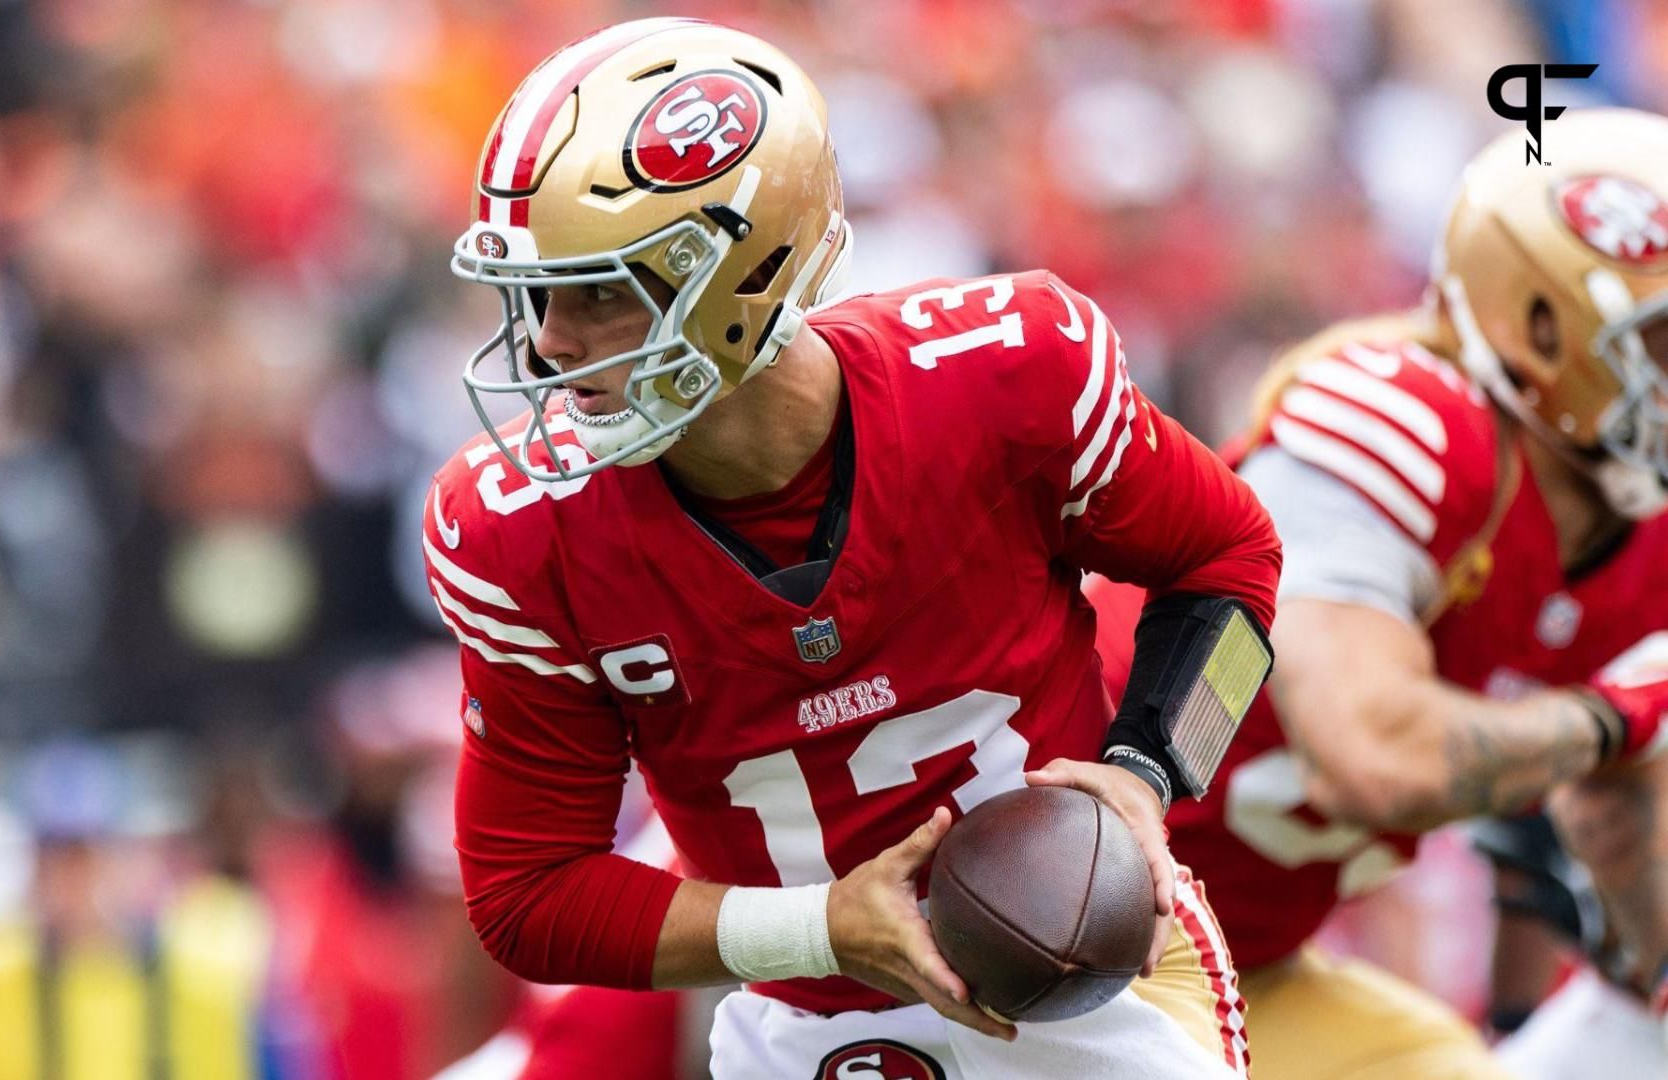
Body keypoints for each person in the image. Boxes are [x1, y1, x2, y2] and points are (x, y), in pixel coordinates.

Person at [425, 18, 1280, 1077]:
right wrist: (821, 928)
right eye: (538, 294)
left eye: (600, 290)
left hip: (1095, 987)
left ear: (746, 270)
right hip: (808, 1025)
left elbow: (1234, 560)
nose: (550, 341)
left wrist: (1148, 773)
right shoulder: (522, 528)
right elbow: (527, 896)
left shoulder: (1006, 377)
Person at [1088, 107, 1668, 1079]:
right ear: (1538, 324)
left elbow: (1595, 805)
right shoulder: (1404, 418)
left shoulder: (1635, 527)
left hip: (1243, 961)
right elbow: (1372, 753)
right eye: (1657, 341)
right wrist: (1627, 715)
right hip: (1054, 923)